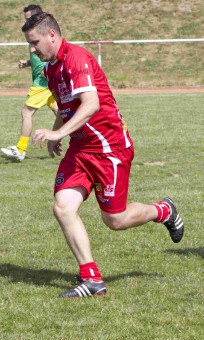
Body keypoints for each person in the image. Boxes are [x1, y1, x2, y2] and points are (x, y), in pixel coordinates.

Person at [22, 13, 185, 297]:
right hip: (80, 149)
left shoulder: (77, 58)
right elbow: (65, 105)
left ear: (51, 35)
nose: (32, 50)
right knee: (62, 206)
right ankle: (92, 278)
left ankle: (164, 210)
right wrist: (56, 130)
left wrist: (58, 134)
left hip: (109, 149)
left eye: (35, 43)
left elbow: (91, 104)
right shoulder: (50, 70)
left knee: (115, 220)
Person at [1, 5, 58, 161]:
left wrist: (48, 70)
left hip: (42, 83)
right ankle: (85, 138)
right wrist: (28, 63)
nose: (25, 22)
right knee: (62, 113)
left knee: (26, 112)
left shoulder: (43, 35)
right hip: (47, 82)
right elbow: (39, 57)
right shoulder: (34, 35)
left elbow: (55, 54)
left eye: (28, 19)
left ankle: (20, 150)